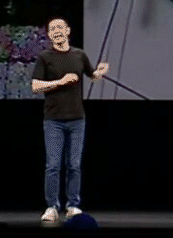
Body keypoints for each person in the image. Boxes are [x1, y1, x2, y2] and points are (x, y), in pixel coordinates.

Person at [30, 17, 109, 223]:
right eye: (52, 29)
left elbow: (92, 75)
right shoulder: (45, 57)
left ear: (68, 31)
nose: (56, 31)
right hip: (53, 120)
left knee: (74, 165)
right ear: (49, 35)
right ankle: (52, 207)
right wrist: (61, 81)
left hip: (77, 119)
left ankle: (73, 205)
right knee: (53, 165)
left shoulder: (79, 55)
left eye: (60, 27)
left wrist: (100, 72)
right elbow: (36, 86)